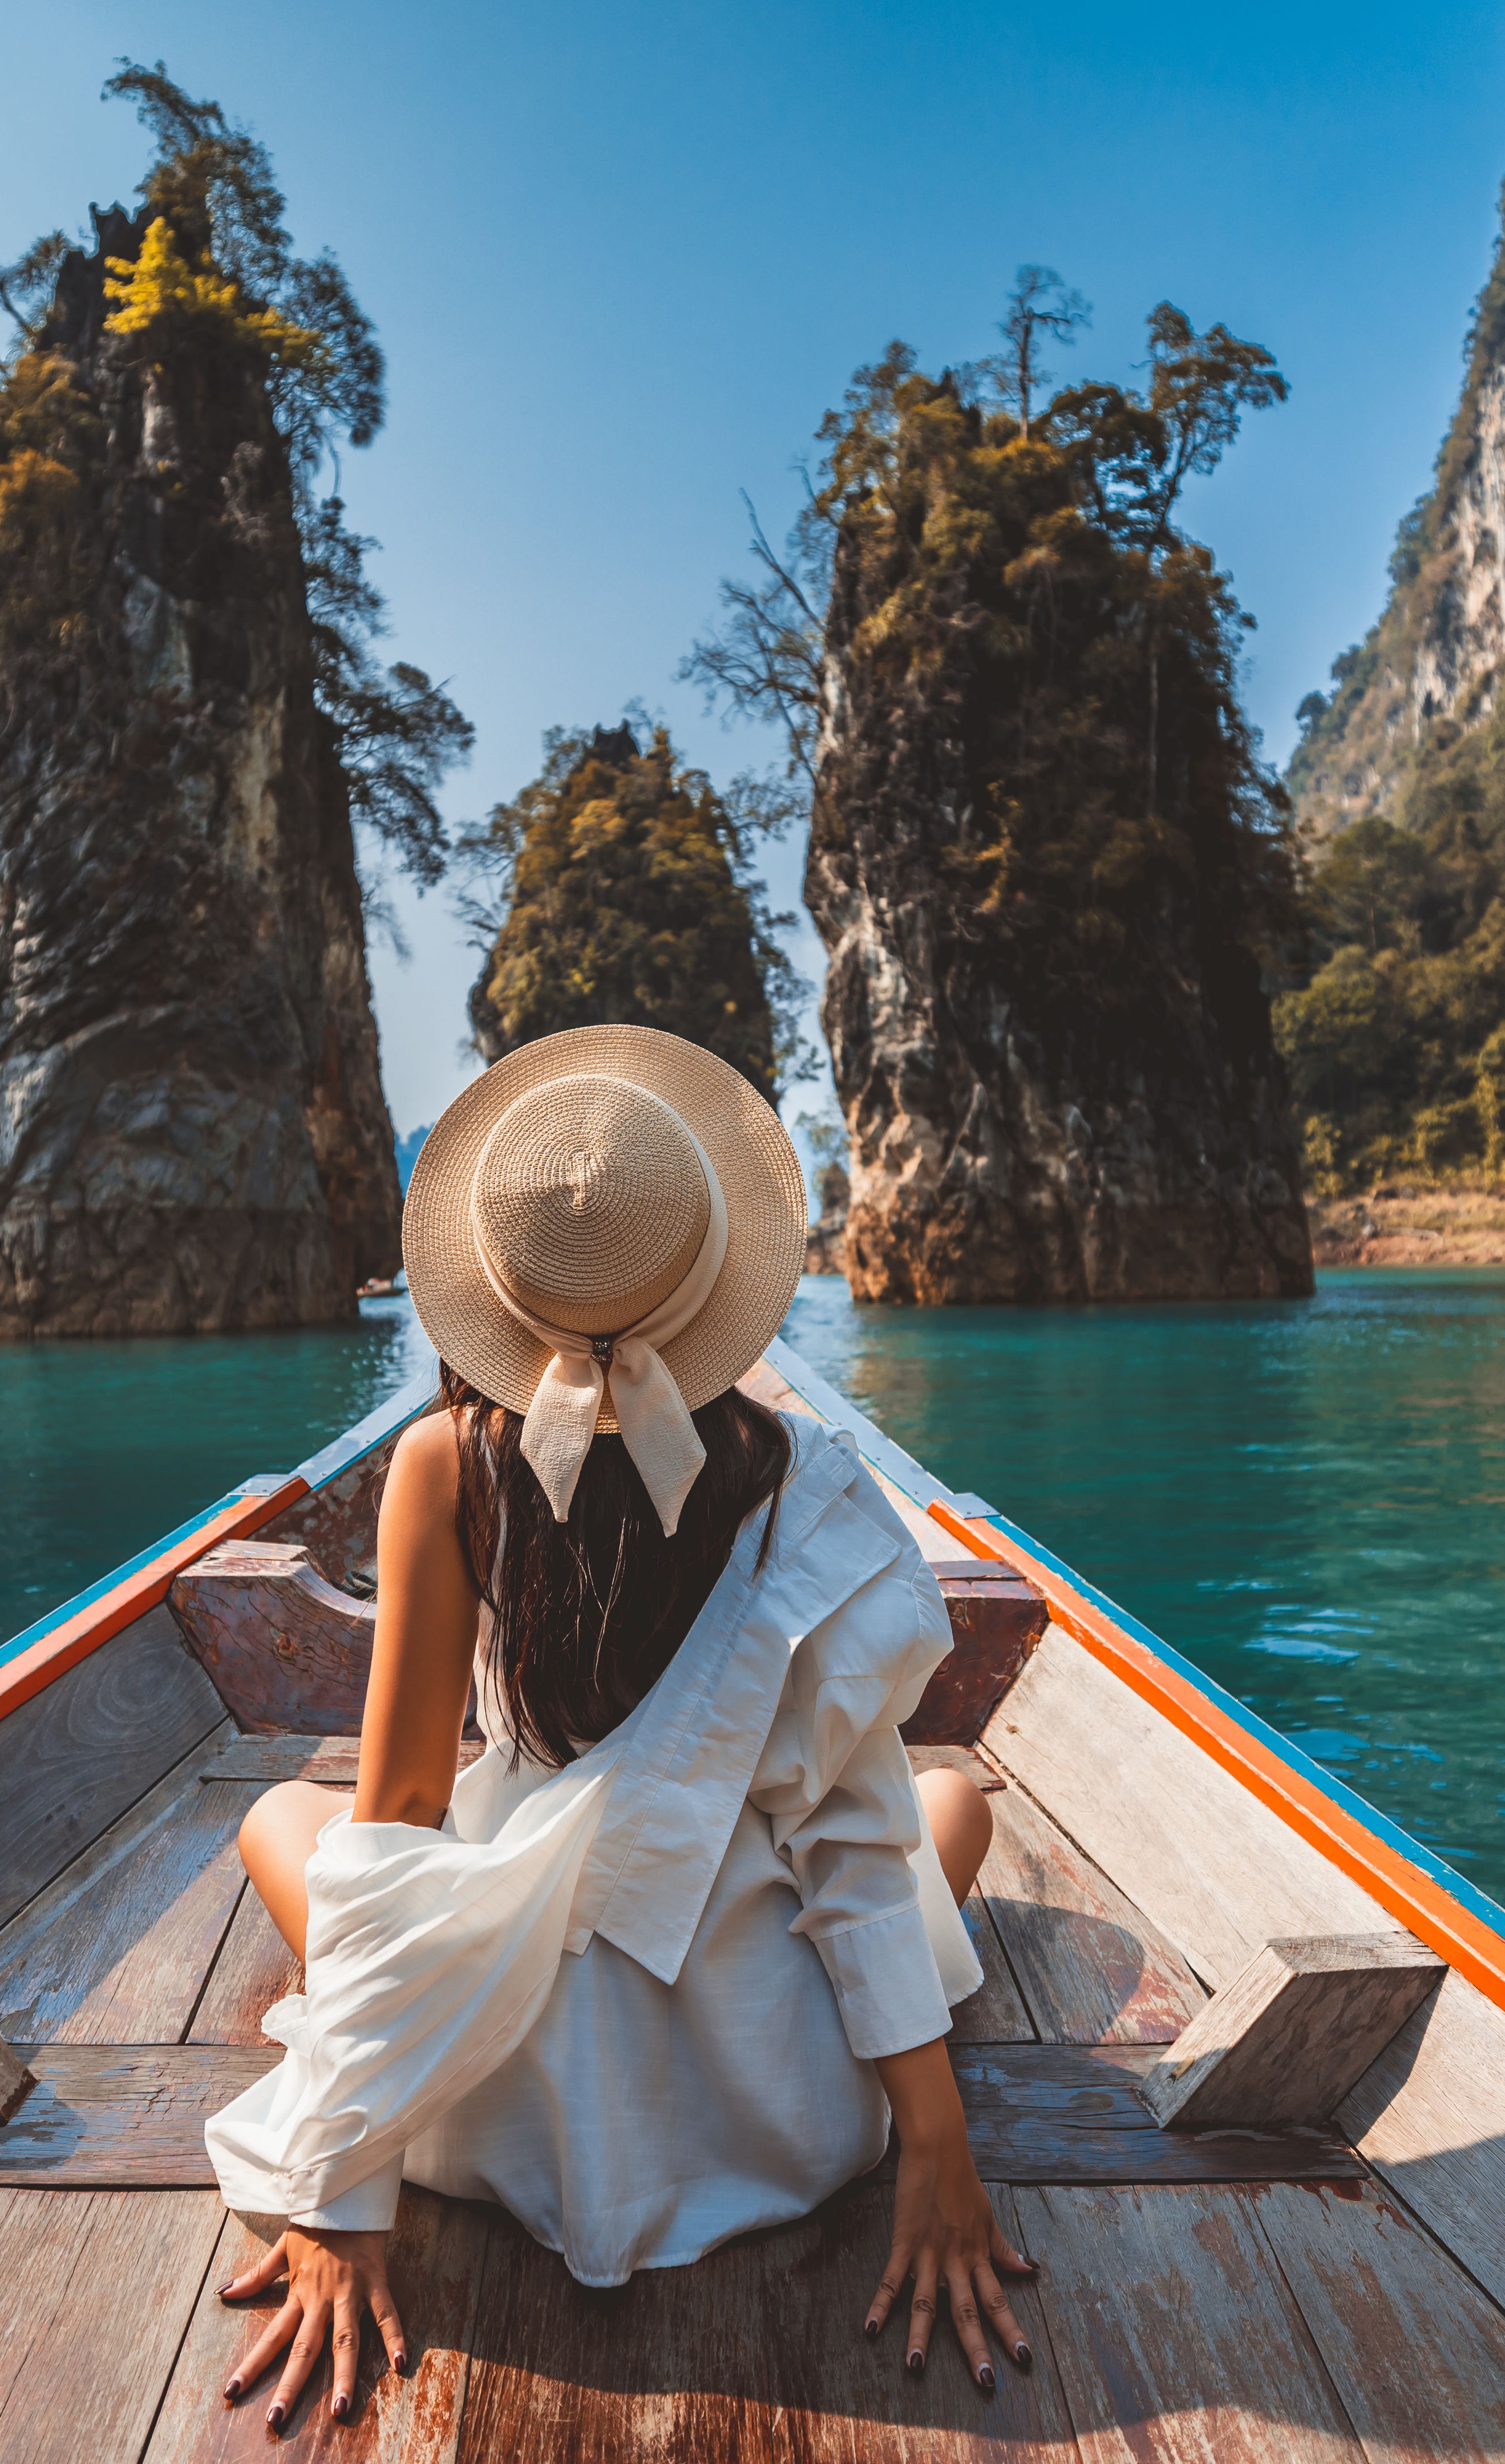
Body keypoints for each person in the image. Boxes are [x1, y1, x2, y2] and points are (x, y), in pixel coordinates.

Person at [203, 1023, 1033, 2433]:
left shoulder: (441, 1465)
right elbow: (845, 1837)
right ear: (711, 1268)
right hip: (775, 2099)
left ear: (493, 1288)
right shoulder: (795, 1480)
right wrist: (933, 2149)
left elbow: (399, 1820)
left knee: (280, 1819)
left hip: (492, 2086)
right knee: (949, 1810)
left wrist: (342, 2182)